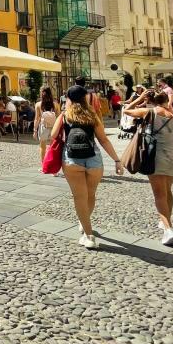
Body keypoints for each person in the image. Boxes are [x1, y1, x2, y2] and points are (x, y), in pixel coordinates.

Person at [54, 85, 124, 249]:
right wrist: (116, 160)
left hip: (72, 159)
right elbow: (103, 140)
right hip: (93, 159)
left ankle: (88, 235)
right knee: (90, 194)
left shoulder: (64, 115)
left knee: (79, 197)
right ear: (85, 98)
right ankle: (84, 222)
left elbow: (52, 136)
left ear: (69, 99)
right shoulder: (92, 115)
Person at [123, 89, 173, 246]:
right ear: (167, 100)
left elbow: (127, 111)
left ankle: (168, 230)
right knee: (167, 191)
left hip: (156, 157)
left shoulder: (148, 112)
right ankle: (166, 220)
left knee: (159, 194)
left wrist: (138, 98)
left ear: (151, 100)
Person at [34, 86, 59, 167]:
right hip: (54, 127)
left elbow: (37, 119)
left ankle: (44, 166)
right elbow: (59, 117)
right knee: (52, 148)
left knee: (42, 147)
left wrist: (35, 130)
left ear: (41, 93)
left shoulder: (38, 104)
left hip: (43, 127)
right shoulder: (55, 104)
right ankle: (53, 168)